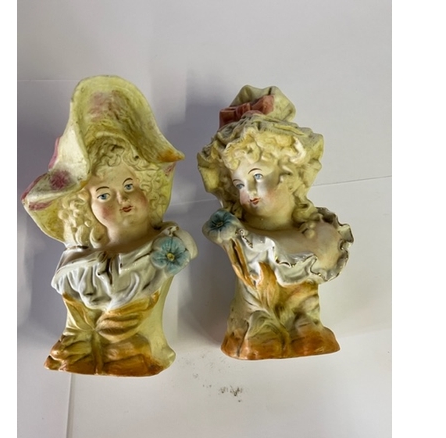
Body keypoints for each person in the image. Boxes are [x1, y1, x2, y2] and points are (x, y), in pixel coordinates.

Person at [22, 76, 197, 376]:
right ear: (84, 207)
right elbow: (76, 328)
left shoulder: (168, 247)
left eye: (129, 185)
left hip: (142, 355)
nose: (122, 198)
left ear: (145, 184)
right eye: (104, 195)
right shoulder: (78, 268)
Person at [198, 85, 353, 360]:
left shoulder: (316, 231)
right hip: (254, 327)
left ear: (289, 174)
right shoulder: (239, 235)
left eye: (257, 176)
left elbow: (323, 260)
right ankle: (260, 334)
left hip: (306, 327)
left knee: (306, 317)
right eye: (239, 185)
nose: (248, 192)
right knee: (258, 324)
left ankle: (304, 329)